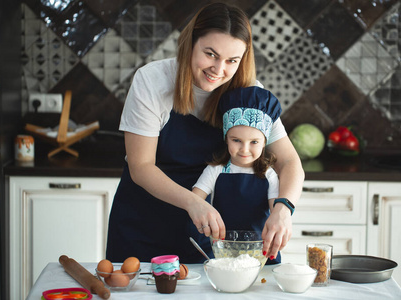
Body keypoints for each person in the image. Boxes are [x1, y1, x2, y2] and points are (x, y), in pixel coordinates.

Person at [106, 2, 304, 264]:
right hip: (145, 225)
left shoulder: (251, 94)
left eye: (232, 60)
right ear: (190, 43)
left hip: (215, 233)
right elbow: (141, 166)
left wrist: (283, 208)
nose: (219, 69)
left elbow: (290, 162)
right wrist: (193, 202)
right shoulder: (152, 81)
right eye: (210, 54)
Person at [192, 86, 287, 264]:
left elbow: (276, 213)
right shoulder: (215, 170)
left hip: (261, 252)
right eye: (236, 140)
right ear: (226, 138)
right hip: (223, 252)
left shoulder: (269, 175)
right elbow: (195, 199)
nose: (244, 149)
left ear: (264, 142)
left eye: (254, 142)